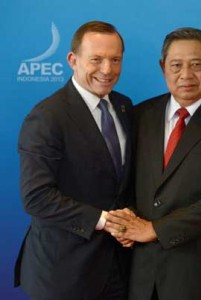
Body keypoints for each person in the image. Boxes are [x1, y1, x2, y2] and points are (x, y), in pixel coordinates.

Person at [104, 27, 201, 300]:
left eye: (197, 65)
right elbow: (131, 183)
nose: (186, 75)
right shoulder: (141, 114)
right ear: (163, 67)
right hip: (145, 274)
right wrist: (124, 221)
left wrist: (154, 230)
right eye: (176, 65)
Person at [14, 21, 134, 300]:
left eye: (115, 59)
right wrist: (108, 222)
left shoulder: (124, 105)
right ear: (72, 60)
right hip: (65, 273)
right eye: (96, 59)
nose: (107, 69)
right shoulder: (47, 117)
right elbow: (36, 197)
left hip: (120, 267)